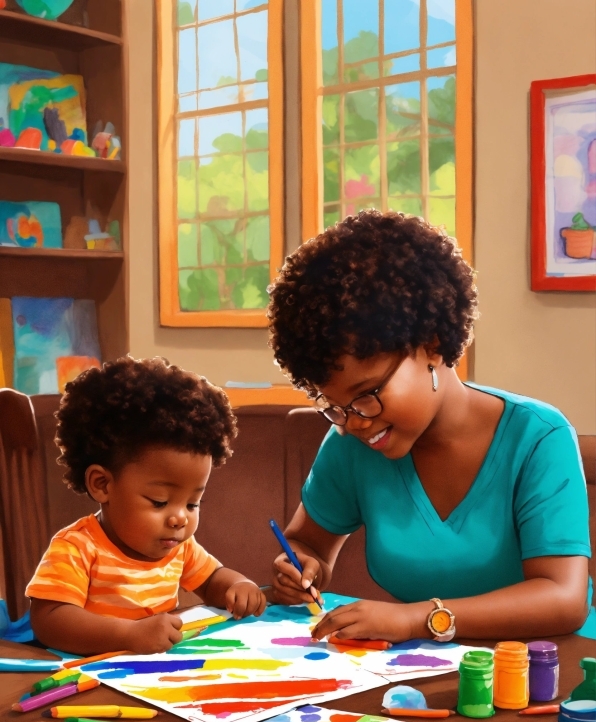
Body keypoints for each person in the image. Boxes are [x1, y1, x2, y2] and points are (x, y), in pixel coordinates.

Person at [267, 210, 592, 643]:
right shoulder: (350, 441)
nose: (356, 421)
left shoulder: (538, 438)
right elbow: (307, 546)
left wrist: (418, 619)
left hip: (549, 675)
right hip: (427, 676)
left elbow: (564, 598)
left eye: (367, 393)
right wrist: (301, 568)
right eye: (336, 406)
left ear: (432, 344)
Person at [27, 356, 266, 655]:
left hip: (154, 678)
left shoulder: (179, 547)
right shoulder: (77, 548)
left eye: (193, 503)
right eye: (160, 502)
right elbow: (50, 620)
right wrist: (127, 634)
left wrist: (238, 586)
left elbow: (213, 580)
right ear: (102, 484)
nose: (179, 518)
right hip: (91, 681)